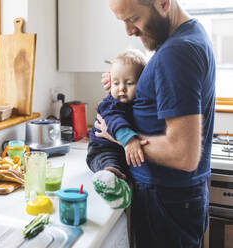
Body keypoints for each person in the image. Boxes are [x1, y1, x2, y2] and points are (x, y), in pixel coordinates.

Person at [95, 0, 216, 247]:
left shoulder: (176, 52)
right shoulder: (190, 36)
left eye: (133, 19)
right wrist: (124, 82)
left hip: (166, 201)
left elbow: (184, 155)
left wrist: (118, 135)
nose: (129, 31)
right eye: (123, 22)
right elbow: (162, 95)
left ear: (163, 3)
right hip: (176, 199)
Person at [86, 49, 148, 181]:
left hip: (122, 150)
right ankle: (112, 177)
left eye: (129, 83)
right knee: (109, 162)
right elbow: (114, 120)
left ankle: (124, 183)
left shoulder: (139, 102)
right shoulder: (111, 103)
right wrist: (129, 140)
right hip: (103, 149)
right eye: (116, 83)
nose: (121, 88)